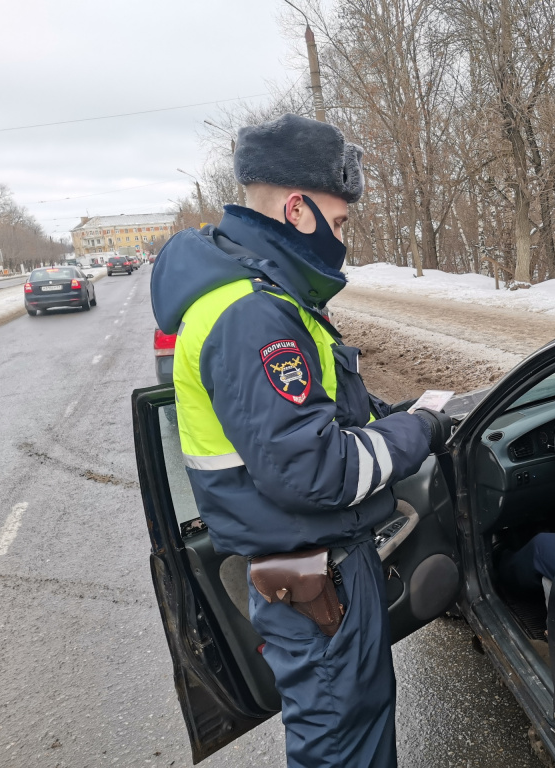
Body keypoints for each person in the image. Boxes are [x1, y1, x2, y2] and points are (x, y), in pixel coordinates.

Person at [150, 113, 450, 768]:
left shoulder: (265, 295)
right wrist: (421, 428)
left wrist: (390, 414)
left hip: (320, 578)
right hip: (319, 587)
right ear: (297, 208)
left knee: (356, 734)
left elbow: (327, 416)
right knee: (342, 750)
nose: (342, 239)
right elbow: (316, 470)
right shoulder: (251, 312)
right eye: (339, 223)